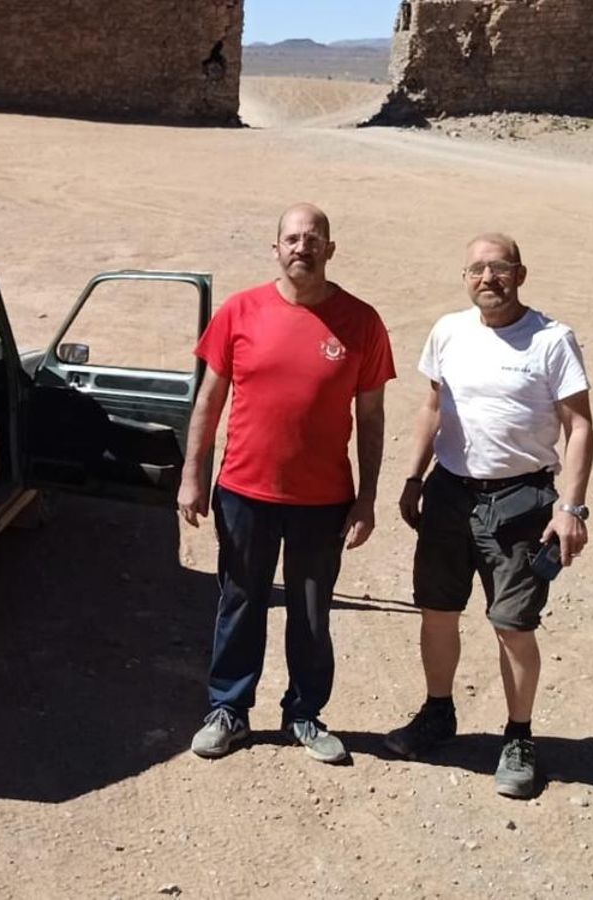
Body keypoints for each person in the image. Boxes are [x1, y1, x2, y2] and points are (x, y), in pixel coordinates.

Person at [180, 203, 395, 762]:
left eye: (314, 238)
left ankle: (305, 713)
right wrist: (192, 475)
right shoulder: (239, 311)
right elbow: (209, 398)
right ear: (275, 248)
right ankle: (228, 709)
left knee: (312, 610)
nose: (303, 246)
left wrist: (367, 497)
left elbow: (371, 417)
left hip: (323, 499)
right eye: (292, 238)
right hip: (245, 490)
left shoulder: (361, 322)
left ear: (330, 248)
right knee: (241, 600)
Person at [384, 232, 593, 798]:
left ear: (520, 274)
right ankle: (437, 713)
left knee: (512, 624)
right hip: (449, 493)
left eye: (499, 268)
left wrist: (571, 508)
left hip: (522, 502)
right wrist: (412, 477)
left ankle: (519, 736)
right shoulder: (448, 331)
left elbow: (579, 427)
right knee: (436, 610)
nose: (487, 279)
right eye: (476, 269)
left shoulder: (551, 340)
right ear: (465, 278)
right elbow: (433, 406)